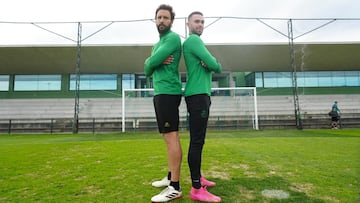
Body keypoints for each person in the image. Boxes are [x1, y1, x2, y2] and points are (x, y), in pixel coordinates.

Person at [144, 4, 183, 202]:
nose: (161, 20)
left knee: (171, 137)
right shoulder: (157, 44)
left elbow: (152, 62)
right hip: (160, 93)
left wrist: (153, 61)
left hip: (169, 92)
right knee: (167, 138)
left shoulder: (173, 38)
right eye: (159, 17)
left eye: (165, 18)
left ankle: (175, 187)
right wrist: (152, 61)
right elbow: (148, 68)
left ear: (171, 21)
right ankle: (170, 178)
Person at [183, 11, 222, 202]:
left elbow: (213, 65)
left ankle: (199, 178)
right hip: (197, 95)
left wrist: (210, 63)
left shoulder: (196, 43)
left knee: (199, 140)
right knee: (197, 141)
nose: (200, 24)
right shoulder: (193, 41)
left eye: (202, 22)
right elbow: (216, 65)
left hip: (200, 95)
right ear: (188, 24)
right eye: (196, 21)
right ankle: (196, 188)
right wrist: (211, 63)